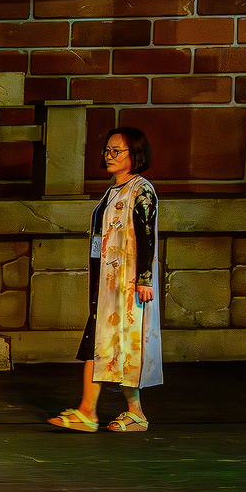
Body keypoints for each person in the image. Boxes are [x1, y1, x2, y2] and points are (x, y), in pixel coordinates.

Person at [49, 127, 163, 434]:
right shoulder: (114, 190)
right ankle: (92, 411)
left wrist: (144, 279)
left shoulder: (141, 190)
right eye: (107, 151)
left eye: (116, 151)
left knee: (119, 345)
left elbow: (147, 235)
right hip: (108, 283)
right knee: (100, 343)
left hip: (127, 284)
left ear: (134, 154)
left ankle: (124, 413)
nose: (109, 156)